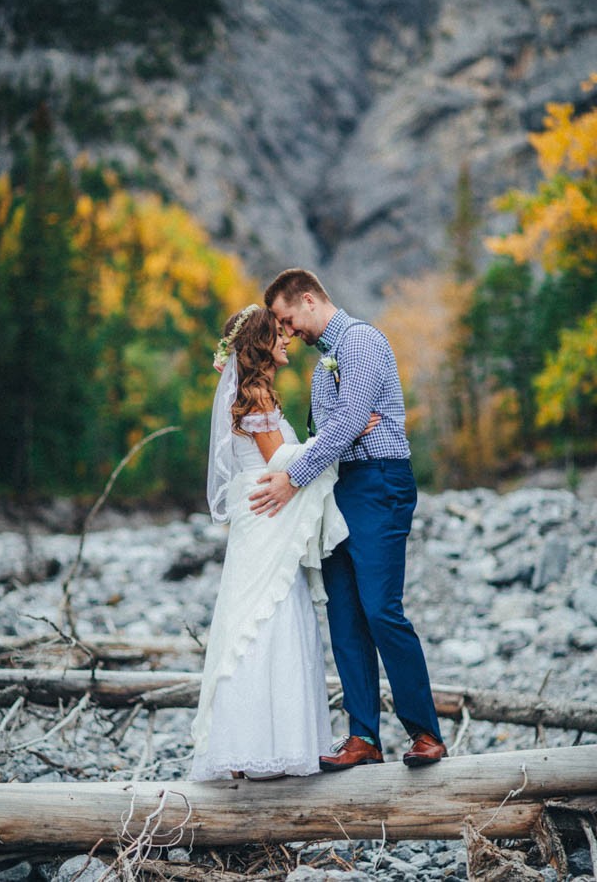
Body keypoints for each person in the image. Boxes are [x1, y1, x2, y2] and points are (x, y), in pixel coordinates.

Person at [250, 269, 447, 769]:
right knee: (344, 615)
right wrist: (345, 431)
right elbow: (338, 427)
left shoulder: (360, 342)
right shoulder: (323, 366)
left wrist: (295, 475)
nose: (287, 330)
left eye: (287, 318)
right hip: (338, 489)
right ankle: (363, 738)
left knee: (382, 609)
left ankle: (425, 732)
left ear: (310, 300)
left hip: (378, 482)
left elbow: (351, 418)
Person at [189, 305, 377, 781]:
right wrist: (348, 430)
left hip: (264, 516)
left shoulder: (255, 393)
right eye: (279, 334)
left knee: (257, 618)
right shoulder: (256, 396)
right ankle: (267, 746)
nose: (288, 339)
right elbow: (282, 462)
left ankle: (255, 745)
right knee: (270, 619)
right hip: (268, 513)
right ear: (261, 344)